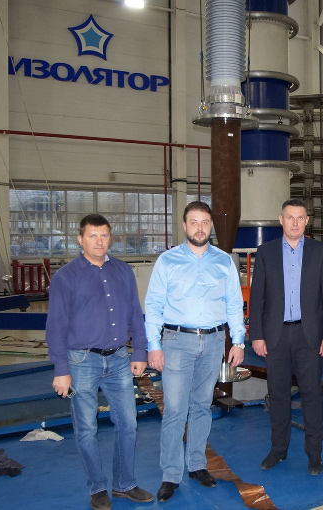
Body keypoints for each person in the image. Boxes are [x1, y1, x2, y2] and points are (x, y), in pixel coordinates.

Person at [46, 214, 153, 510]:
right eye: (92, 236)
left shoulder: (122, 271)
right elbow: (56, 326)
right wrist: (61, 371)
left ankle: (124, 484)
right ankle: (97, 487)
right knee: (86, 428)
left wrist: (140, 352)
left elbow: (134, 313)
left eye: (104, 236)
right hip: (80, 362)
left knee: (128, 423)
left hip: (119, 358)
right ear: (80, 239)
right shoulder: (65, 277)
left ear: (111, 238)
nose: (99, 242)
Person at [144, 201, 246, 503]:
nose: (200, 227)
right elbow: (153, 306)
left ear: (211, 225)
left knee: (202, 406)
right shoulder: (167, 261)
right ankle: (170, 474)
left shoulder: (224, 261)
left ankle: (197, 465)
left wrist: (237, 341)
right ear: (185, 225)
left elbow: (233, 302)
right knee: (175, 410)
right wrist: (154, 344)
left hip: (214, 341)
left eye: (205, 222)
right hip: (177, 342)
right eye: (193, 222)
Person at [249, 198, 323, 475]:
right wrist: (257, 335)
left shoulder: (320, 252)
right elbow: (257, 297)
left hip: (309, 335)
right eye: (290, 218)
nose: (295, 223)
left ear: (307, 221)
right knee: (277, 395)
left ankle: (315, 454)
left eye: (300, 218)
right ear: (281, 219)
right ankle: (279, 449)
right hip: (275, 336)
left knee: (312, 395)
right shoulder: (266, 253)